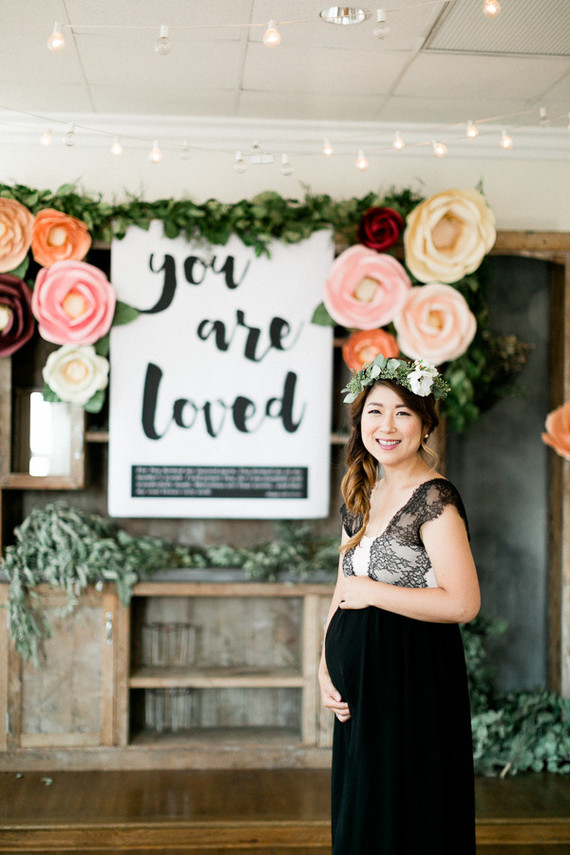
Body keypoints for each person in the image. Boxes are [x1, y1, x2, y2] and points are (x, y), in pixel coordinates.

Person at [318, 355, 480, 855]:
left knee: (407, 812)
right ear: (360, 421)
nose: (386, 426)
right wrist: (324, 664)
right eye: (375, 411)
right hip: (360, 686)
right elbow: (343, 586)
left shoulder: (435, 498)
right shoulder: (362, 492)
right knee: (362, 811)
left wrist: (373, 592)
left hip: (413, 678)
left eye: (403, 413)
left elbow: (463, 603)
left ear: (425, 424)